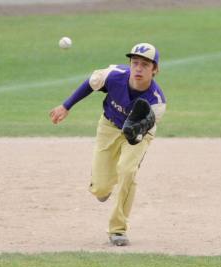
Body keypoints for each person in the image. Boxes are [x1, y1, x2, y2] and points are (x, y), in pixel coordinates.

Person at [50, 43, 166, 246]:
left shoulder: (156, 103)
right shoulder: (113, 75)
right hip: (108, 126)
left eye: (145, 65)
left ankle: (118, 229)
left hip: (138, 137)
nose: (138, 68)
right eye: (135, 63)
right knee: (101, 189)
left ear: (154, 69)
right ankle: (103, 188)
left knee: (127, 171)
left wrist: (132, 133)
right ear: (130, 64)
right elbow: (90, 84)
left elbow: (139, 135)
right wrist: (66, 106)